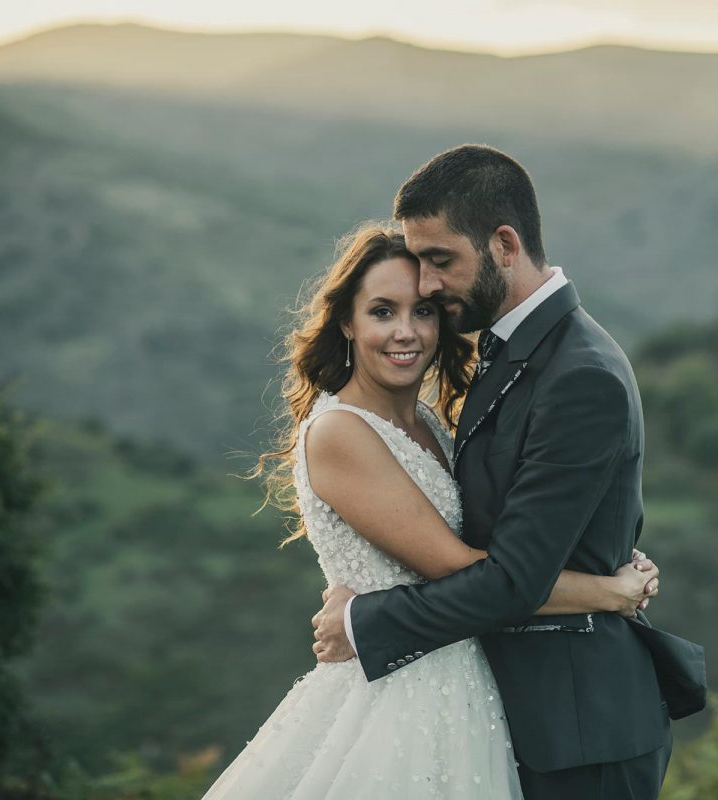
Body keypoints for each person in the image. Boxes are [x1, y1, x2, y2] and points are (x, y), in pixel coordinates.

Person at [202, 225, 659, 799]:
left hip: (471, 688)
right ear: (347, 322)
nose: (405, 332)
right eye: (382, 311)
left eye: (423, 312)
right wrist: (608, 591)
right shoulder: (341, 430)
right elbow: (463, 568)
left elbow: (503, 542)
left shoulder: (432, 426)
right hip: (398, 698)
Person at [311, 145, 676, 799]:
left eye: (440, 263)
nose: (425, 287)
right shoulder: (511, 351)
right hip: (509, 713)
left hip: (580, 729)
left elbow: (511, 578)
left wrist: (369, 617)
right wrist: (604, 583)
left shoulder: (579, 374)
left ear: (504, 244)